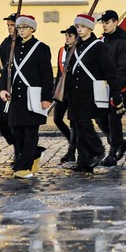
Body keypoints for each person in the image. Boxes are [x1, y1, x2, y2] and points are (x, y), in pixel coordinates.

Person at [0, 14, 53, 179]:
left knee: (30, 132)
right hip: (16, 96)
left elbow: (47, 75)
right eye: (19, 28)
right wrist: (1, 89)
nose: (21, 31)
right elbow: (7, 71)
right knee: (15, 129)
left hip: (33, 96)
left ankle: (24, 166)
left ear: (32, 29)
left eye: (24, 28)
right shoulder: (13, 47)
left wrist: (46, 98)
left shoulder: (41, 48)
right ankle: (32, 154)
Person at [66, 13, 115, 173]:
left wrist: (116, 92)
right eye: (78, 27)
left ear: (90, 28)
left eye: (82, 27)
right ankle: (84, 161)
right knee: (78, 126)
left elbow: (108, 70)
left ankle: (97, 149)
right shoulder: (75, 46)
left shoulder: (97, 46)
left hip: (91, 91)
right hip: (75, 92)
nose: (79, 30)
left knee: (84, 123)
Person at [96, 10, 126, 166]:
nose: (104, 25)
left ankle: (113, 153)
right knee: (99, 118)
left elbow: (125, 70)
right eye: (103, 22)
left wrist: (115, 90)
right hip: (102, 88)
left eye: (107, 22)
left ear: (116, 22)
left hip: (120, 89)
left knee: (114, 119)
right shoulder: (103, 41)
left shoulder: (124, 44)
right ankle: (118, 142)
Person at [52, 25, 78, 163]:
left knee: (74, 122)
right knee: (57, 119)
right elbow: (59, 73)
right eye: (66, 36)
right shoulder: (62, 51)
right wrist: (55, 92)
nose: (67, 38)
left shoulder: (79, 50)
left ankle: (72, 151)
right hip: (62, 91)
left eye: (70, 36)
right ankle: (72, 141)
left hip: (74, 91)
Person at [0, 13, 19, 158]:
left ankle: (19, 151)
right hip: (4, 85)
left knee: (14, 124)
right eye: (8, 26)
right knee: (2, 123)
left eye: (12, 25)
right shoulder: (6, 41)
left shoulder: (21, 43)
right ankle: (17, 145)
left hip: (16, 86)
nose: (10, 28)